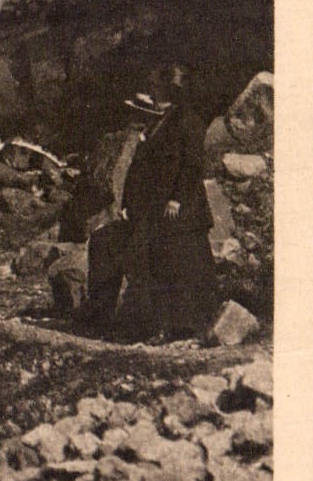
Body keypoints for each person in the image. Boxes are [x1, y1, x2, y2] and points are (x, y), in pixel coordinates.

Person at [86, 68, 217, 341]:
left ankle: (176, 327)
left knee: (170, 264)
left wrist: (176, 199)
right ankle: (144, 324)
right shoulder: (159, 120)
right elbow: (142, 169)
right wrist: (128, 206)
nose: (151, 91)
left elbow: (192, 165)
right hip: (156, 211)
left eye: (155, 87)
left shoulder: (187, 120)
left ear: (171, 90)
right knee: (132, 253)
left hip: (182, 211)